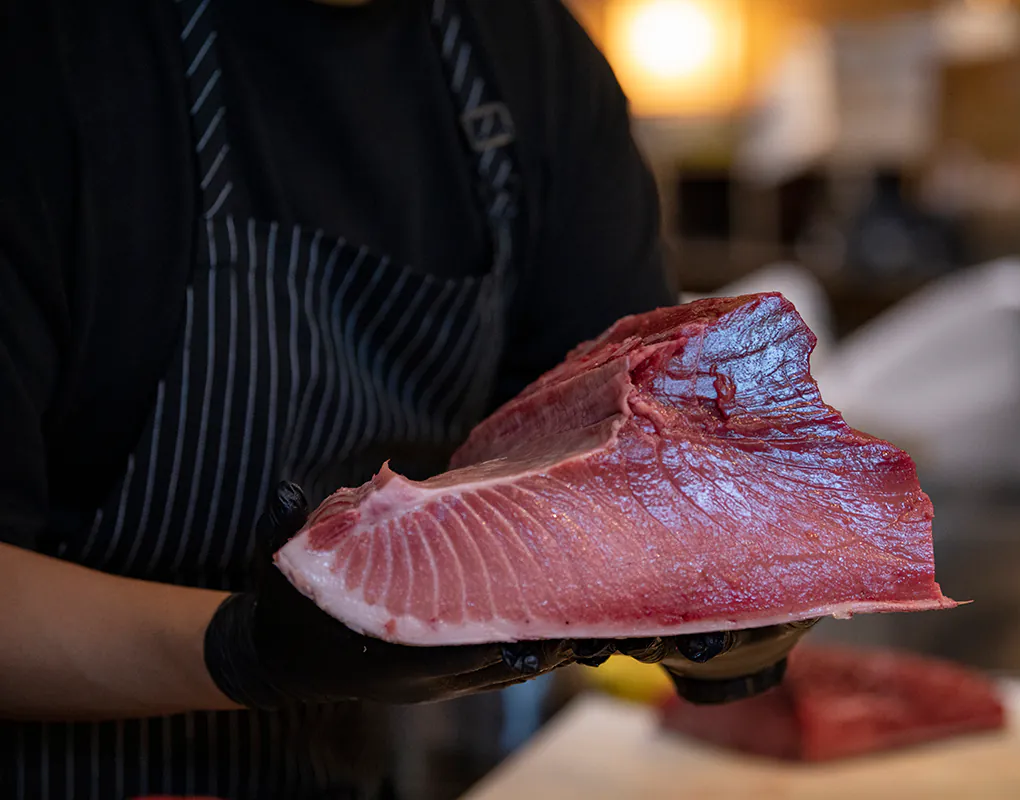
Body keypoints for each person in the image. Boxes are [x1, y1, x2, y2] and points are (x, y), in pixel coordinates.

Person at [1, 0, 689, 796]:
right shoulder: (49, 52)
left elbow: (624, 463)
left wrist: (718, 617)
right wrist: (242, 649)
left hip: (355, 771)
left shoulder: (527, 56)